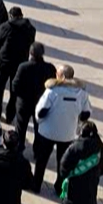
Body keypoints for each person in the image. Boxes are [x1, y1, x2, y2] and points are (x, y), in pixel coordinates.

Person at [33, 65, 91, 193]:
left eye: (57, 73)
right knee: (63, 162)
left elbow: (40, 112)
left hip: (48, 132)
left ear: (62, 76)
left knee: (41, 160)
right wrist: (76, 122)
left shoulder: (52, 91)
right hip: (68, 134)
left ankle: (36, 185)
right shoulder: (82, 94)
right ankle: (59, 187)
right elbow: (86, 113)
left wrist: (40, 122)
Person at [0, 5, 36, 114]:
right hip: (20, 62)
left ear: (10, 16)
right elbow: (31, 43)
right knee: (14, 90)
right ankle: (10, 113)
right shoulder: (30, 28)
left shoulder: (5, 27)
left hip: (4, 61)